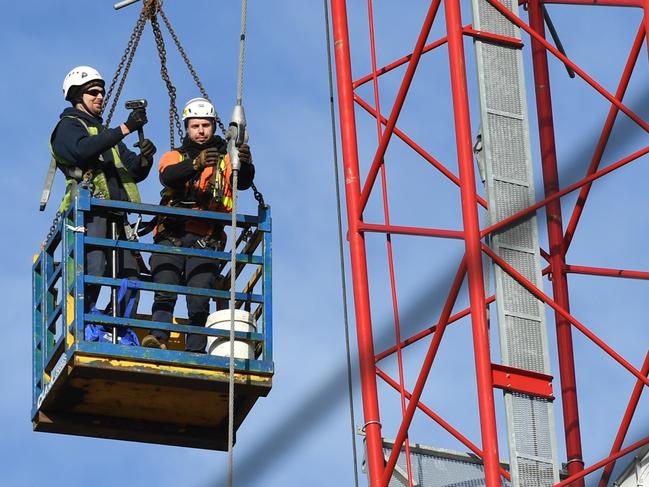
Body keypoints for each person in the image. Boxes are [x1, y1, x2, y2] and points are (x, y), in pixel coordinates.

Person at [142, 97, 254, 352]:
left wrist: (245, 163)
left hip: (206, 240)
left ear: (214, 126)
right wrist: (196, 163)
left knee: (198, 299)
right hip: (172, 235)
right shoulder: (174, 156)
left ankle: (195, 350)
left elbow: (243, 182)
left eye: (206, 125)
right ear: (187, 127)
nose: (201, 131)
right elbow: (168, 176)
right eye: (195, 126)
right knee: (165, 289)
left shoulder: (227, 160)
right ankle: (157, 338)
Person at [50, 65, 156, 325]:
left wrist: (146, 158)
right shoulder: (68, 126)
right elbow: (80, 152)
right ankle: (85, 324)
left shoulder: (106, 135)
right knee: (95, 269)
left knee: (130, 278)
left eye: (101, 93)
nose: (100, 97)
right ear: (77, 96)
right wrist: (124, 128)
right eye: (93, 93)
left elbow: (133, 169)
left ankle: (117, 325)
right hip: (91, 214)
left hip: (117, 217)